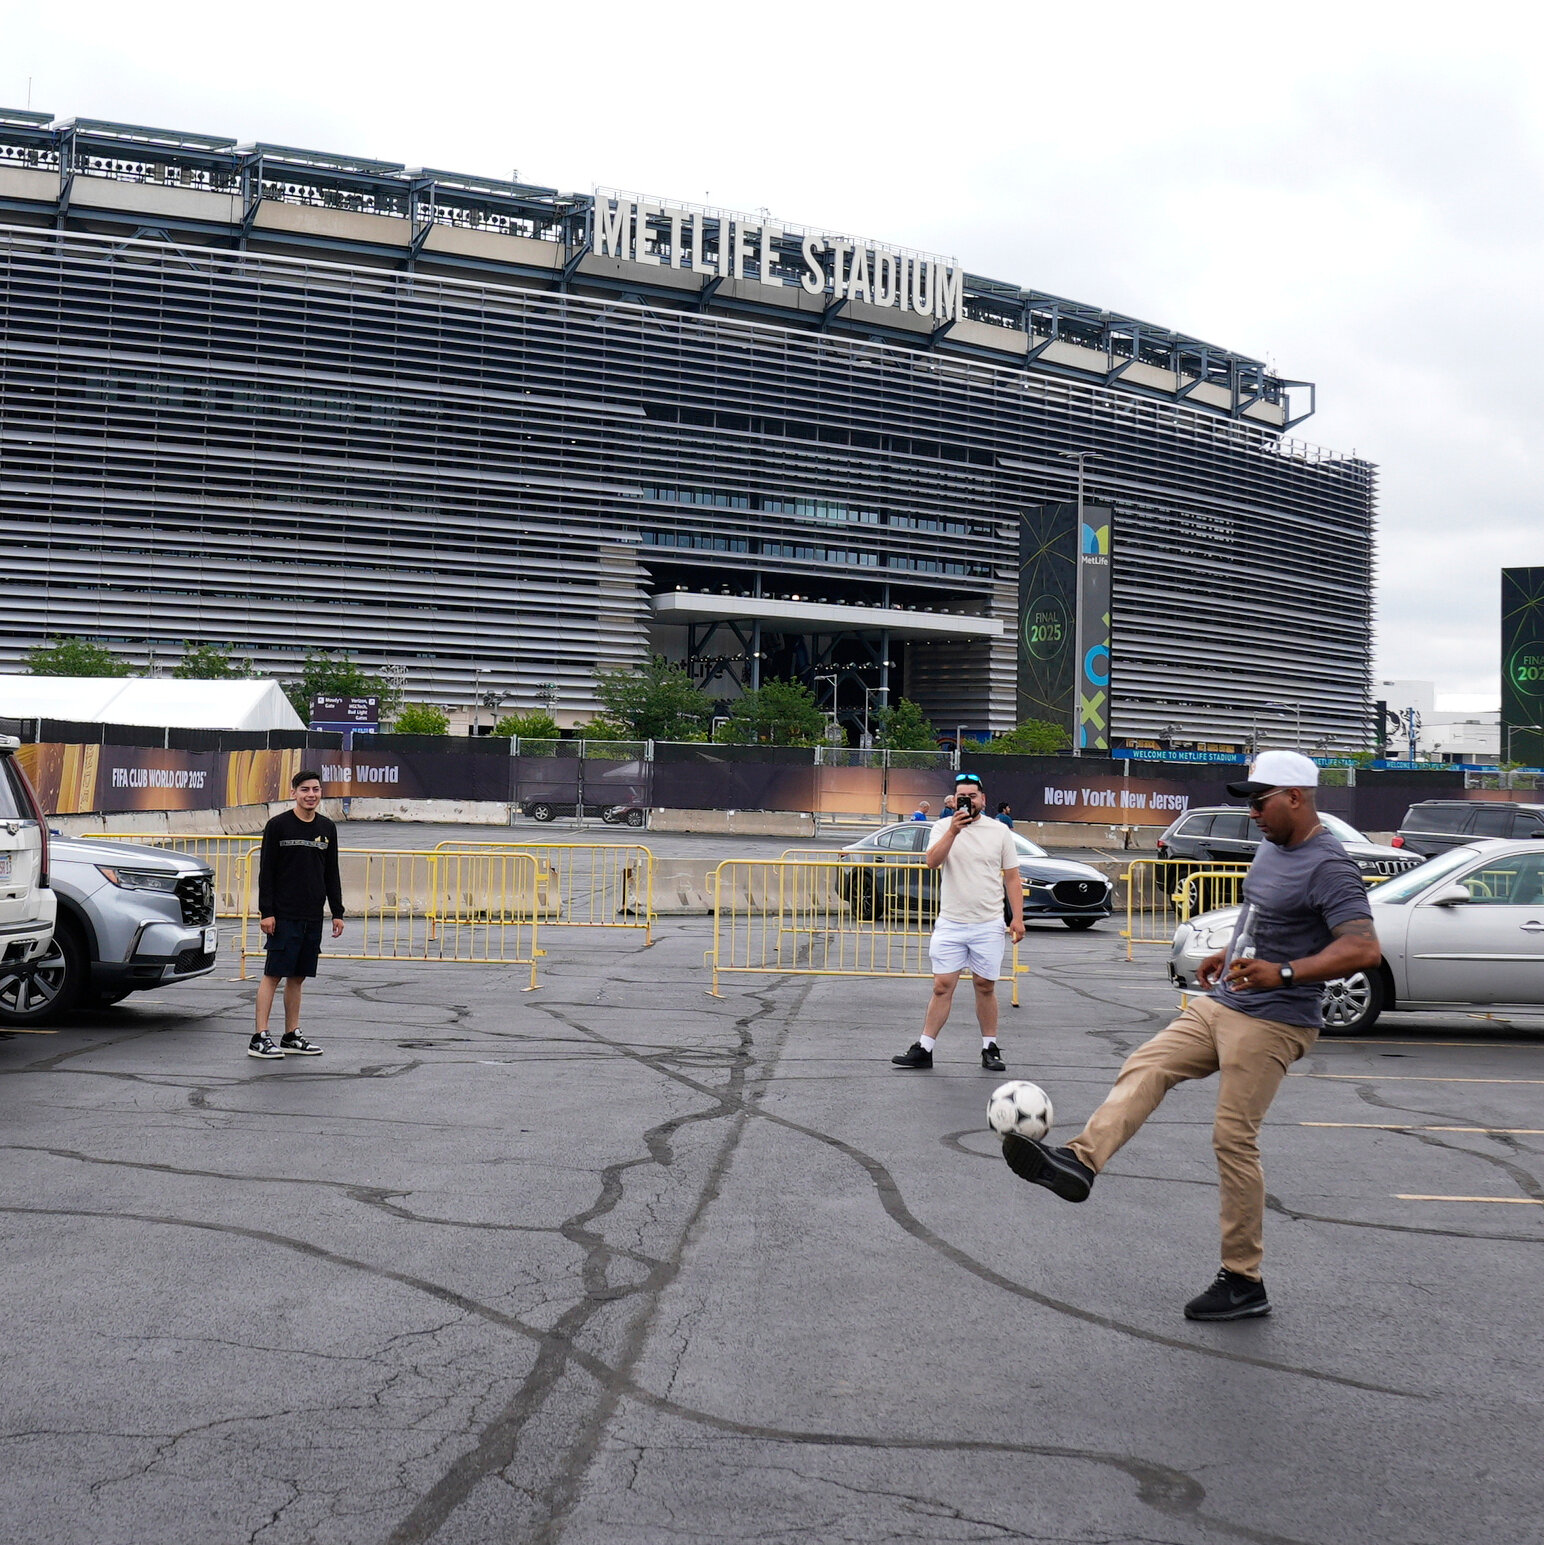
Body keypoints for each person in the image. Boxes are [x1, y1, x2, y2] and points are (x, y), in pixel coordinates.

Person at [998, 750, 1381, 1320]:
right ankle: (1080, 1162)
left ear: (1296, 798)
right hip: (1225, 1000)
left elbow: (1362, 947)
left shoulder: (1329, 865)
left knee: (1233, 1139)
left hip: (1276, 1018)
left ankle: (1243, 1280)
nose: (1251, 811)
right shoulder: (1274, 849)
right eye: (1247, 801)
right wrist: (1231, 952)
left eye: (1259, 800)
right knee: (1147, 1064)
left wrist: (1283, 972)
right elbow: (1267, 917)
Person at [892, 772, 1024, 1074]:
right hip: (951, 921)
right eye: (962, 796)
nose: (968, 801)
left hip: (988, 921)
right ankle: (924, 1048)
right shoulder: (942, 826)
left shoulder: (999, 831)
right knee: (942, 985)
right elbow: (932, 861)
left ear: (983, 799)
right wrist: (953, 830)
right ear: (954, 800)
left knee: (985, 986)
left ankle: (989, 1046)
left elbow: (1013, 877)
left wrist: (1017, 917)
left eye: (973, 796)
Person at [250, 770, 345, 1059]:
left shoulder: (327, 828)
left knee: (298, 976)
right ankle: (259, 1036)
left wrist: (337, 911)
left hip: (312, 915)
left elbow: (331, 872)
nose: (311, 794)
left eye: (316, 789)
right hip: (283, 915)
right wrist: (267, 912)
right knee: (274, 974)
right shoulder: (278, 826)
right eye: (305, 789)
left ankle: (291, 1034)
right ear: (294, 793)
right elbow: (266, 872)